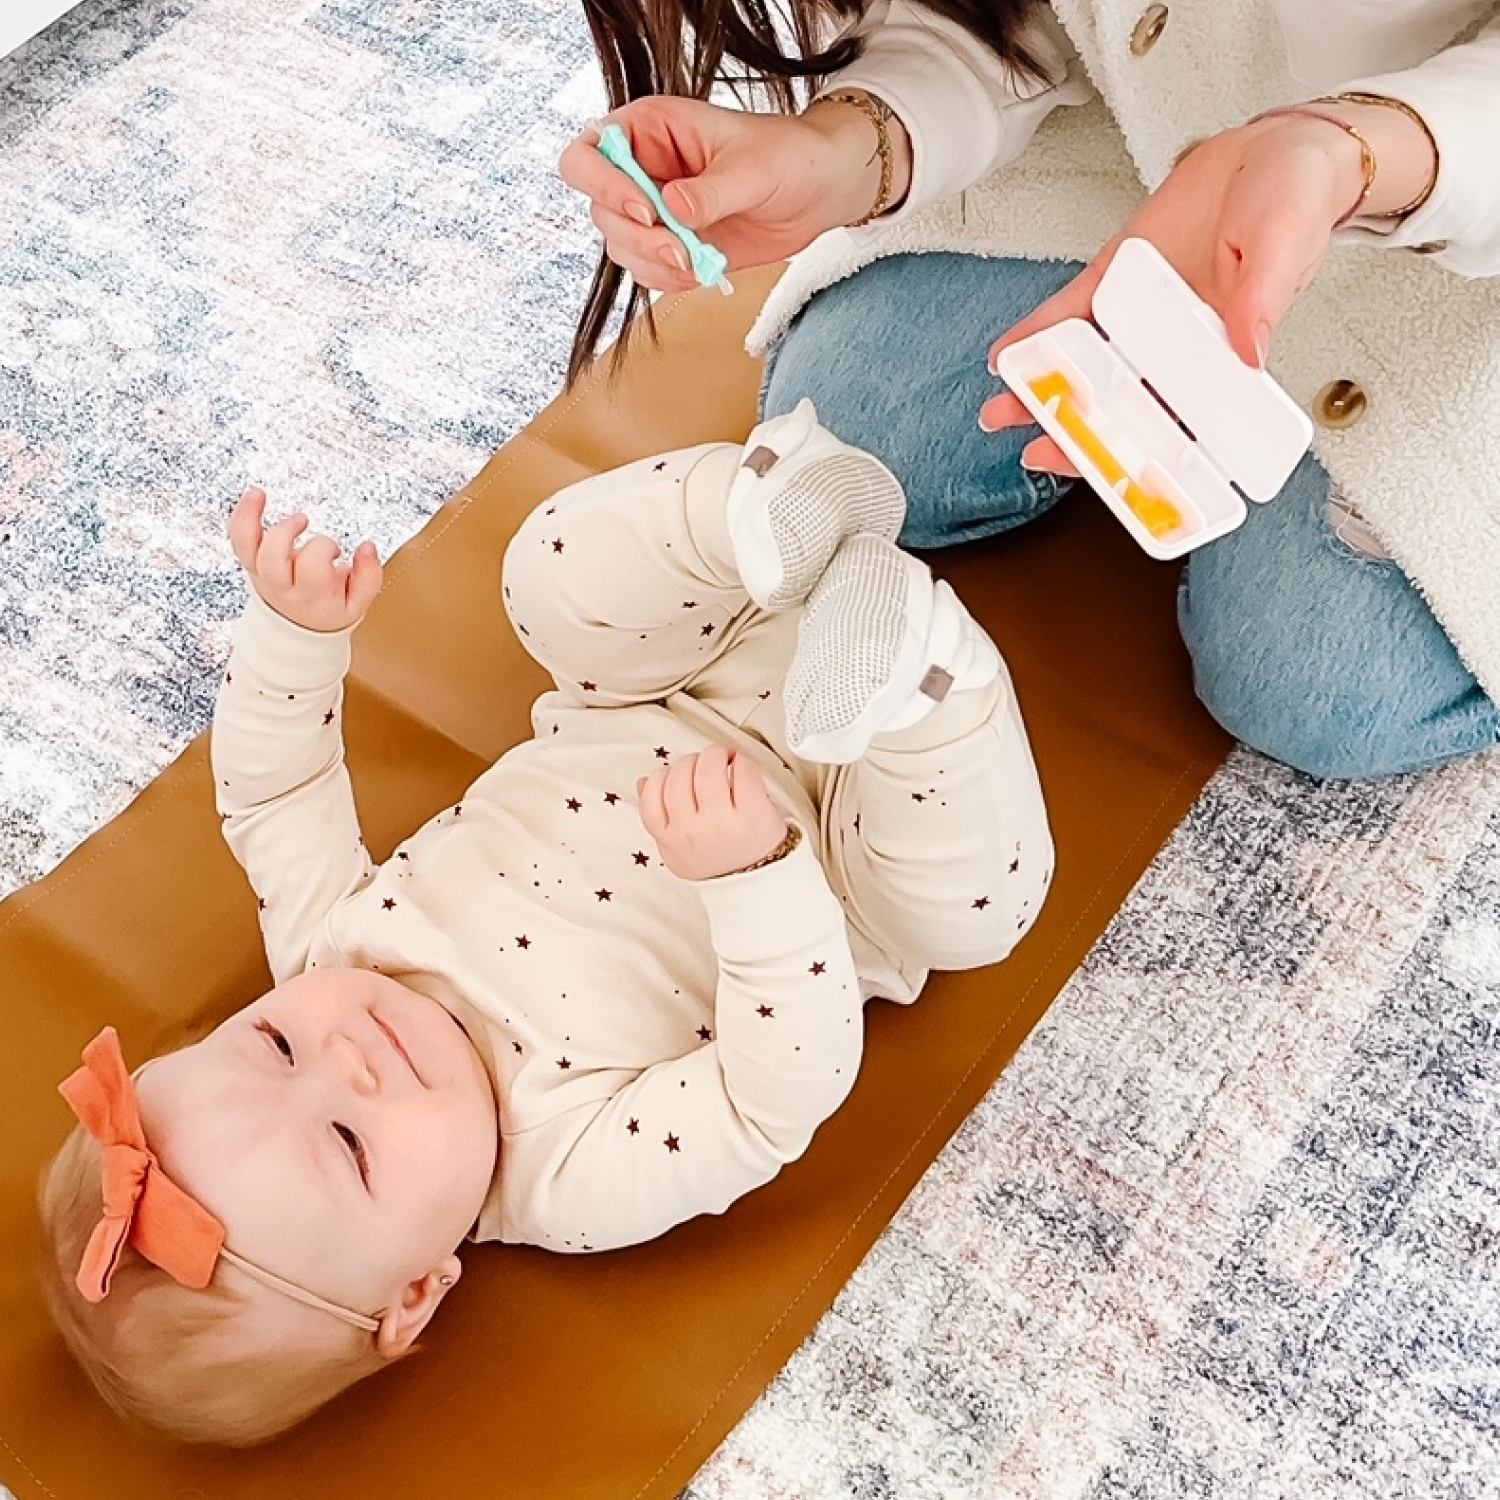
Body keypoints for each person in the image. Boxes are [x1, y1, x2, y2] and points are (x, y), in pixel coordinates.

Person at [38, 401, 1053, 1446]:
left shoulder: (328, 950)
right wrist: (755, 879)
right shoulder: (566, 1180)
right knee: (973, 914)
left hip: (674, 678)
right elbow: (766, 1101)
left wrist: (294, 637)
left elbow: (273, 795)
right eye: (346, 1142)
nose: (343, 1055)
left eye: (271, 1043)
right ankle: (916, 671)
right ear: (418, 1289)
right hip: (846, 843)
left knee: (545, 579)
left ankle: (757, 516)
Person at [560, 0, 1500, 780]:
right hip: (1157, 118)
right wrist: (848, 145)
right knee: (856, 435)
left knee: (1318, 688)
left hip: (1451, 188)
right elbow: (1006, 17)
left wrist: (1352, 153)